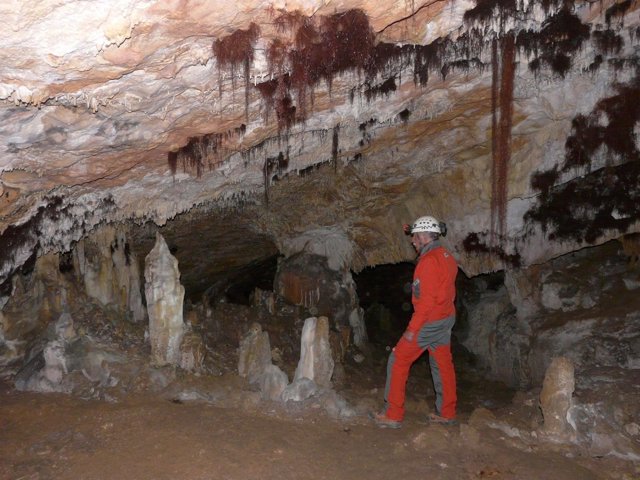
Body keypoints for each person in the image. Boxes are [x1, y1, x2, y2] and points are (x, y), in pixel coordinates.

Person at [373, 215, 458, 428]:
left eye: (414, 237)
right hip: (446, 317)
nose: (413, 241)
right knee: (442, 363)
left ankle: (393, 414)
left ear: (423, 236)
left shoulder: (428, 263)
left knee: (399, 358)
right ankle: (447, 412)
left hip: (430, 321)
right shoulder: (447, 256)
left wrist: (412, 330)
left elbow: (425, 302)